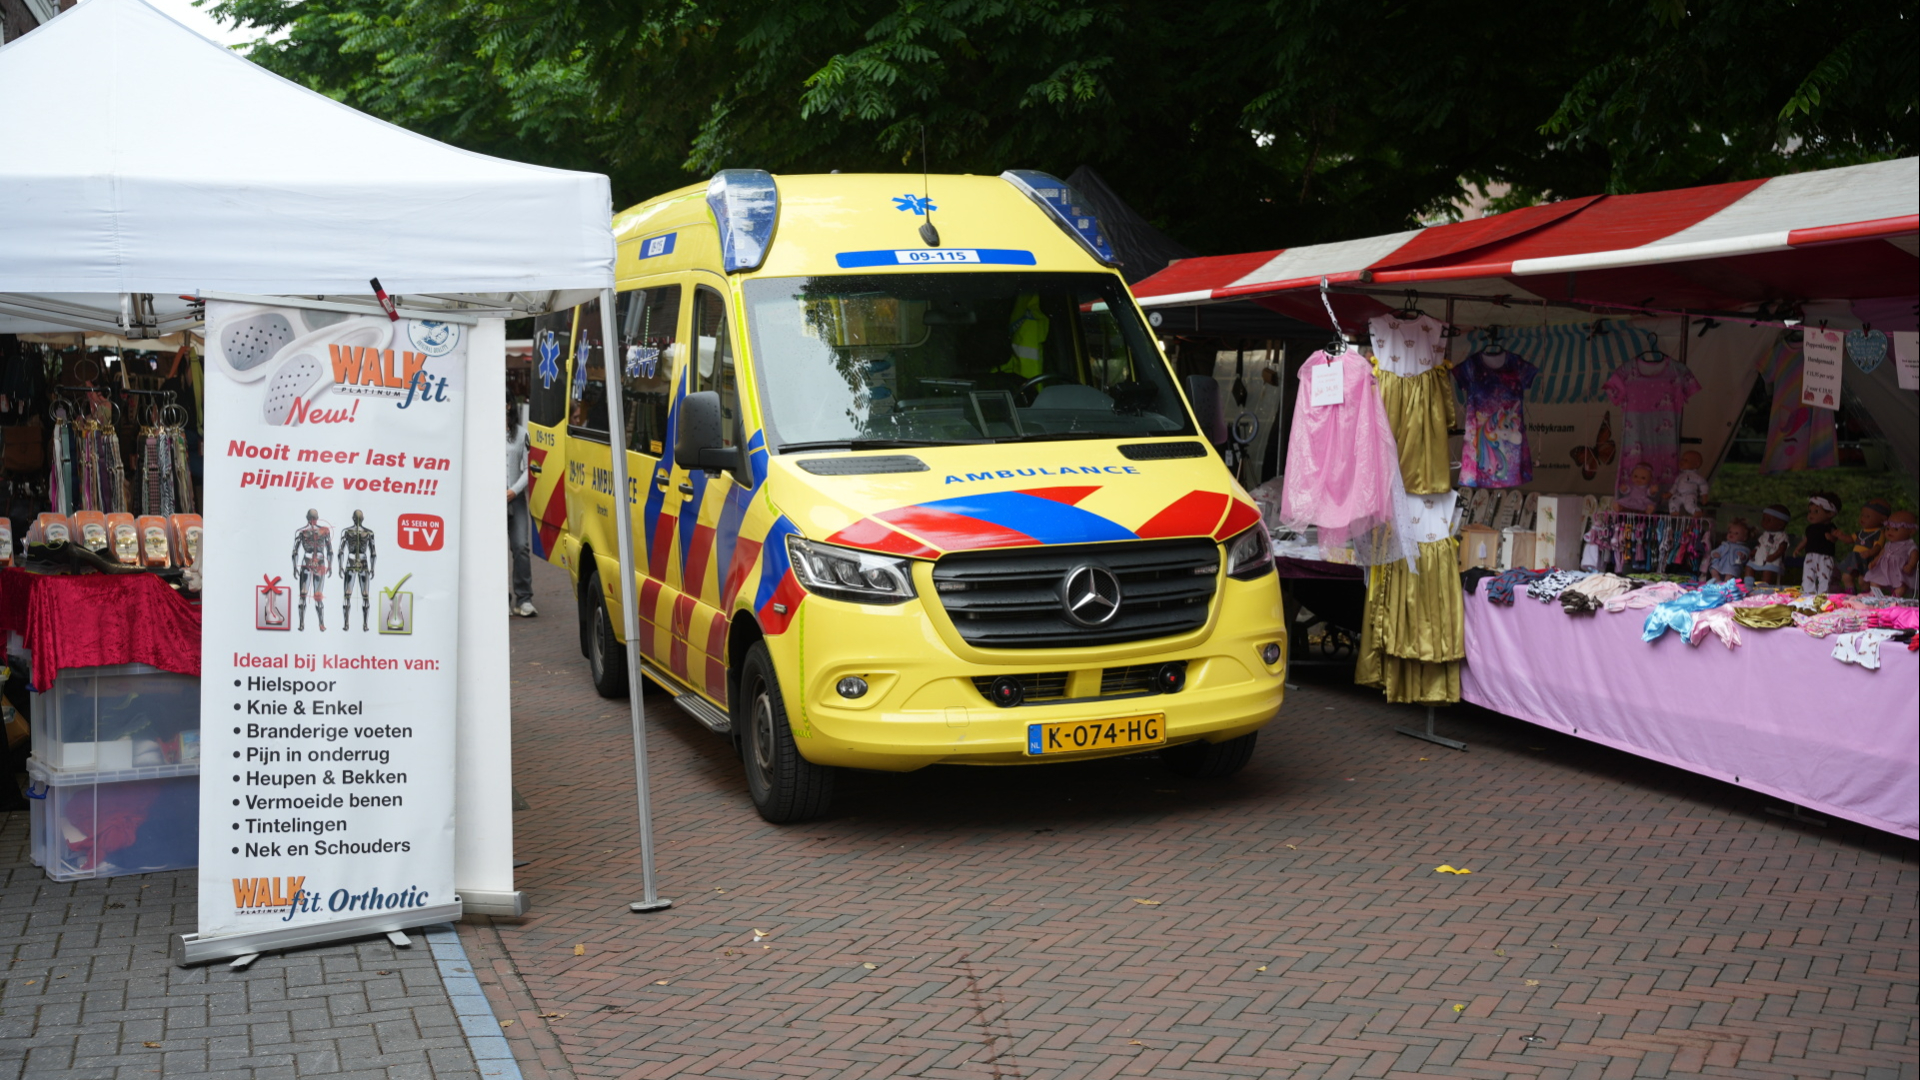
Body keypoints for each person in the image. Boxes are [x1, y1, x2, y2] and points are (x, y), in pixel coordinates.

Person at [507, 394, 535, 616]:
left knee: (521, 547)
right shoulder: (484, 433)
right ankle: (499, 597)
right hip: (488, 501)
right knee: (492, 551)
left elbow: (529, 468)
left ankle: (524, 599)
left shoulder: (521, 434)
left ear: (509, 405)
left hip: (514, 499)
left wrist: (513, 491)